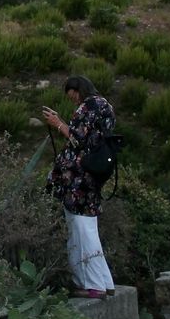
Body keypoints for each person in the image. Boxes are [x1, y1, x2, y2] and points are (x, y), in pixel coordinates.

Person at [42, 74, 116, 299]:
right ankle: (103, 281)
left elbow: (79, 139)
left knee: (83, 230)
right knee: (87, 227)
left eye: (71, 94)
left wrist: (58, 124)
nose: (72, 99)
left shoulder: (88, 107)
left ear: (78, 90)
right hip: (93, 175)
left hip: (79, 178)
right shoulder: (105, 105)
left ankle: (94, 285)